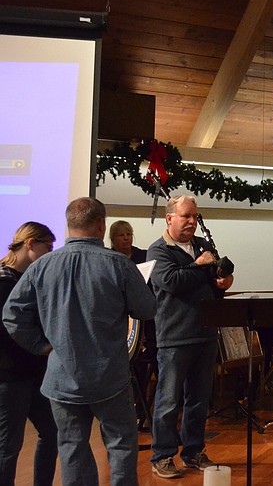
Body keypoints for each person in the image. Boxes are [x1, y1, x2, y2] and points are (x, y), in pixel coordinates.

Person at [3, 198, 156, 486]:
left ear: (69, 225)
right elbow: (146, 309)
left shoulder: (42, 266)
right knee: (121, 447)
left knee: (72, 449)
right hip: (109, 375)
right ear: (101, 226)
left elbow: (12, 316)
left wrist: (40, 346)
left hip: (62, 377)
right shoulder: (119, 264)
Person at [147, 195, 234, 478]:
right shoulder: (158, 251)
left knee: (199, 399)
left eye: (195, 217)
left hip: (206, 333)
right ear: (169, 218)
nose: (192, 222)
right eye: (186, 216)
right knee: (168, 401)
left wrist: (224, 282)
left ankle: (194, 452)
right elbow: (172, 283)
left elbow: (213, 284)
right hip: (174, 337)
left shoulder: (203, 246)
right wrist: (200, 267)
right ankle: (162, 457)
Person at [0, 222, 58, 486]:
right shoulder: (3, 280)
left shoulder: (27, 279)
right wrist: (42, 346)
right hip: (9, 375)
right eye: (48, 246)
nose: (50, 252)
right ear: (31, 243)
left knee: (52, 432)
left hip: (33, 373)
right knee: (8, 446)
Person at [110, 220, 157, 429]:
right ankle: (135, 411)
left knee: (157, 364)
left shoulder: (144, 256)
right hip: (123, 320)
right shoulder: (109, 258)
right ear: (113, 239)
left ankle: (149, 410)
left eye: (129, 234)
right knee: (134, 367)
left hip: (147, 318)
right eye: (121, 235)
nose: (127, 238)